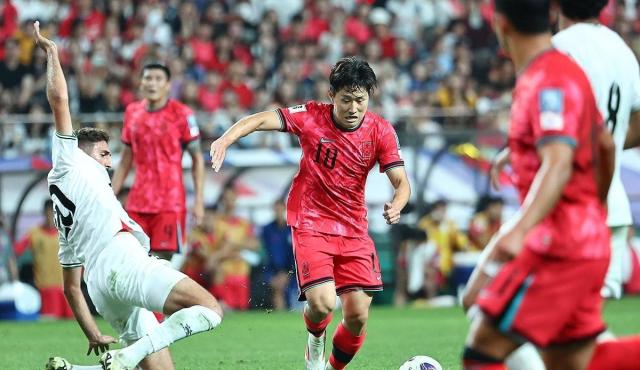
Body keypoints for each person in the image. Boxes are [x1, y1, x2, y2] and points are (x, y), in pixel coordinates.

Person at [458, 1, 639, 369]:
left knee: (483, 349)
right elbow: (604, 145)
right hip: (584, 232)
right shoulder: (581, 64)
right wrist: (593, 210)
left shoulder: (548, 73)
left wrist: (519, 230)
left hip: (556, 241)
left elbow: (558, 161)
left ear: (500, 24)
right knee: (574, 360)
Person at [33, 22, 223, 370]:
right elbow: (59, 99)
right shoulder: (70, 161)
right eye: (105, 154)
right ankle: (127, 356)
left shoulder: (65, 200)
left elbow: (72, 289)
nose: (111, 161)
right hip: (123, 259)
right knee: (211, 310)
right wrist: (53, 53)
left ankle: (84, 368)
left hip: (100, 288)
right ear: (85, 153)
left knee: (161, 368)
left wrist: (92, 334)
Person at [210, 56, 411, 370]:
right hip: (310, 222)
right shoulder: (311, 116)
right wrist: (225, 138)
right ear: (332, 96)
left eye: (361, 100)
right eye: (346, 100)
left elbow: (402, 183)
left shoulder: (382, 131)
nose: (354, 107)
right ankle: (315, 343)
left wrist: (397, 205)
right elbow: (263, 119)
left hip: (354, 230)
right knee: (322, 303)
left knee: (357, 315)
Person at [111, 61, 205, 266]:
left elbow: (197, 158)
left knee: (161, 265)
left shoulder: (182, 114)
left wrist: (198, 200)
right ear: (141, 83)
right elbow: (127, 157)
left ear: (168, 85)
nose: (152, 83)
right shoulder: (132, 113)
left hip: (169, 203)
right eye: (148, 78)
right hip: (137, 202)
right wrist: (110, 195)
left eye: (158, 79)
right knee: (133, 261)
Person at [14, 199, 73, 319]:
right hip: (46, 288)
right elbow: (16, 250)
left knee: (73, 323)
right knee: (50, 323)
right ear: (44, 213)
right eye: (48, 212)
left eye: (54, 212)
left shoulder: (66, 232)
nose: (51, 216)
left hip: (68, 287)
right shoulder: (34, 233)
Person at [261, 198, 295, 311]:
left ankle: (284, 310)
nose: (278, 212)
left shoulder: (292, 229)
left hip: (291, 271)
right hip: (271, 271)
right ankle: (280, 312)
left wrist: (287, 274)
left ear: (284, 210)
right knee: (277, 288)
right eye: (276, 210)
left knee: (282, 288)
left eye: (280, 209)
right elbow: (264, 251)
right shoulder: (267, 229)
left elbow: (295, 257)